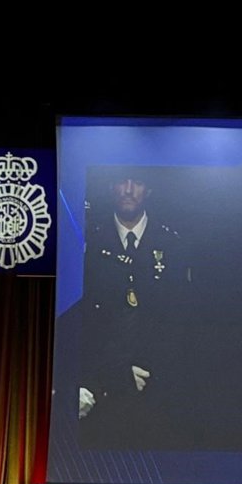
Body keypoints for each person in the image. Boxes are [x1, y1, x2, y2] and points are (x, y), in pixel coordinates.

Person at [78, 168, 195, 449]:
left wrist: (149, 370)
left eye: (138, 183)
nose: (129, 190)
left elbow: (179, 322)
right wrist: (115, 373)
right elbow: (86, 323)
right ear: (111, 187)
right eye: (122, 181)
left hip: (159, 387)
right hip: (102, 386)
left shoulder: (173, 245)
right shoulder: (90, 242)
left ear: (148, 190)